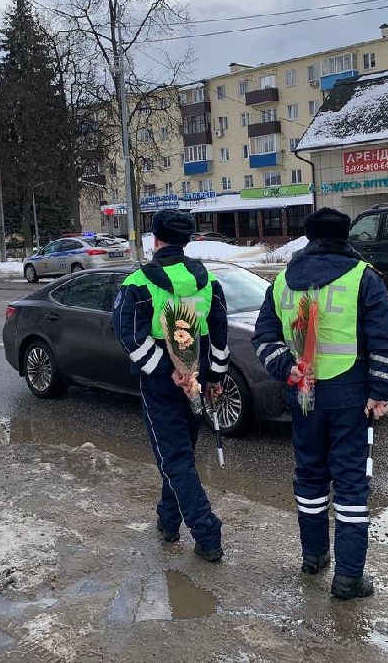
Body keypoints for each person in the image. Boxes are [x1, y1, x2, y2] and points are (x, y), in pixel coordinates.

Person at [252, 207, 388, 600]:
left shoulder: (283, 280)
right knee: (351, 482)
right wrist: (380, 391)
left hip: (302, 394)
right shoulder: (363, 277)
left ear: (309, 237)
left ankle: (314, 556)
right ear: (345, 236)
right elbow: (385, 340)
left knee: (310, 475)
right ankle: (348, 578)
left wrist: (288, 368)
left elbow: (263, 337)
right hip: (350, 395)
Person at [112, 210, 230, 561]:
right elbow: (220, 335)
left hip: (162, 385)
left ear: (155, 239)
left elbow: (129, 336)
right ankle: (167, 521)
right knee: (179, 456)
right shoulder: (207, 281)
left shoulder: (138, 283)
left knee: (175, 459)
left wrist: (167, 371)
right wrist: (214, 377)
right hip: (196, 380)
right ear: (187, 240)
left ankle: (207, 532)